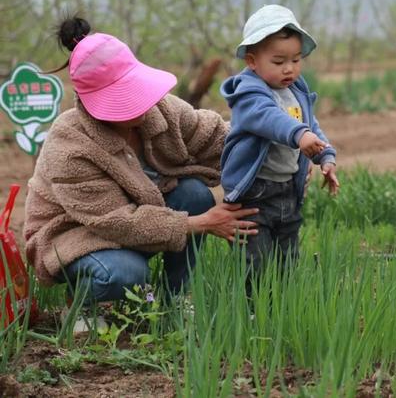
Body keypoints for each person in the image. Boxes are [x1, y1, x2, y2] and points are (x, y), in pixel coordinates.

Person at [23, 16, 260, 303]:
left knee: (194, 194)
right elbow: (115, 222)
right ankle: (83, 303)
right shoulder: (70, 145)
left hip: (143, 217)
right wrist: (202, 224)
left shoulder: (161, 110)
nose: (140, 104)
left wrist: (281, 155)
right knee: (125, 273)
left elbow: (217, 138)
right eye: (124, 98)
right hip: (77, 234)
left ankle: (174, 298)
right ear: (90, 103)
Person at [220, 4, 339, 277]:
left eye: (296, 60)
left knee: (287, 259)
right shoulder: (249, 93)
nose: (289, 69)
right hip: (255, 193)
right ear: (252, 61)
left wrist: (326, 156)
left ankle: (282, 308)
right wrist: (299, 135)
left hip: (288, 189)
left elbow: (310, 125)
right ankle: (252, 311)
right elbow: (270, 118)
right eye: (278, 61)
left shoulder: (295, 90)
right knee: (255, 261)